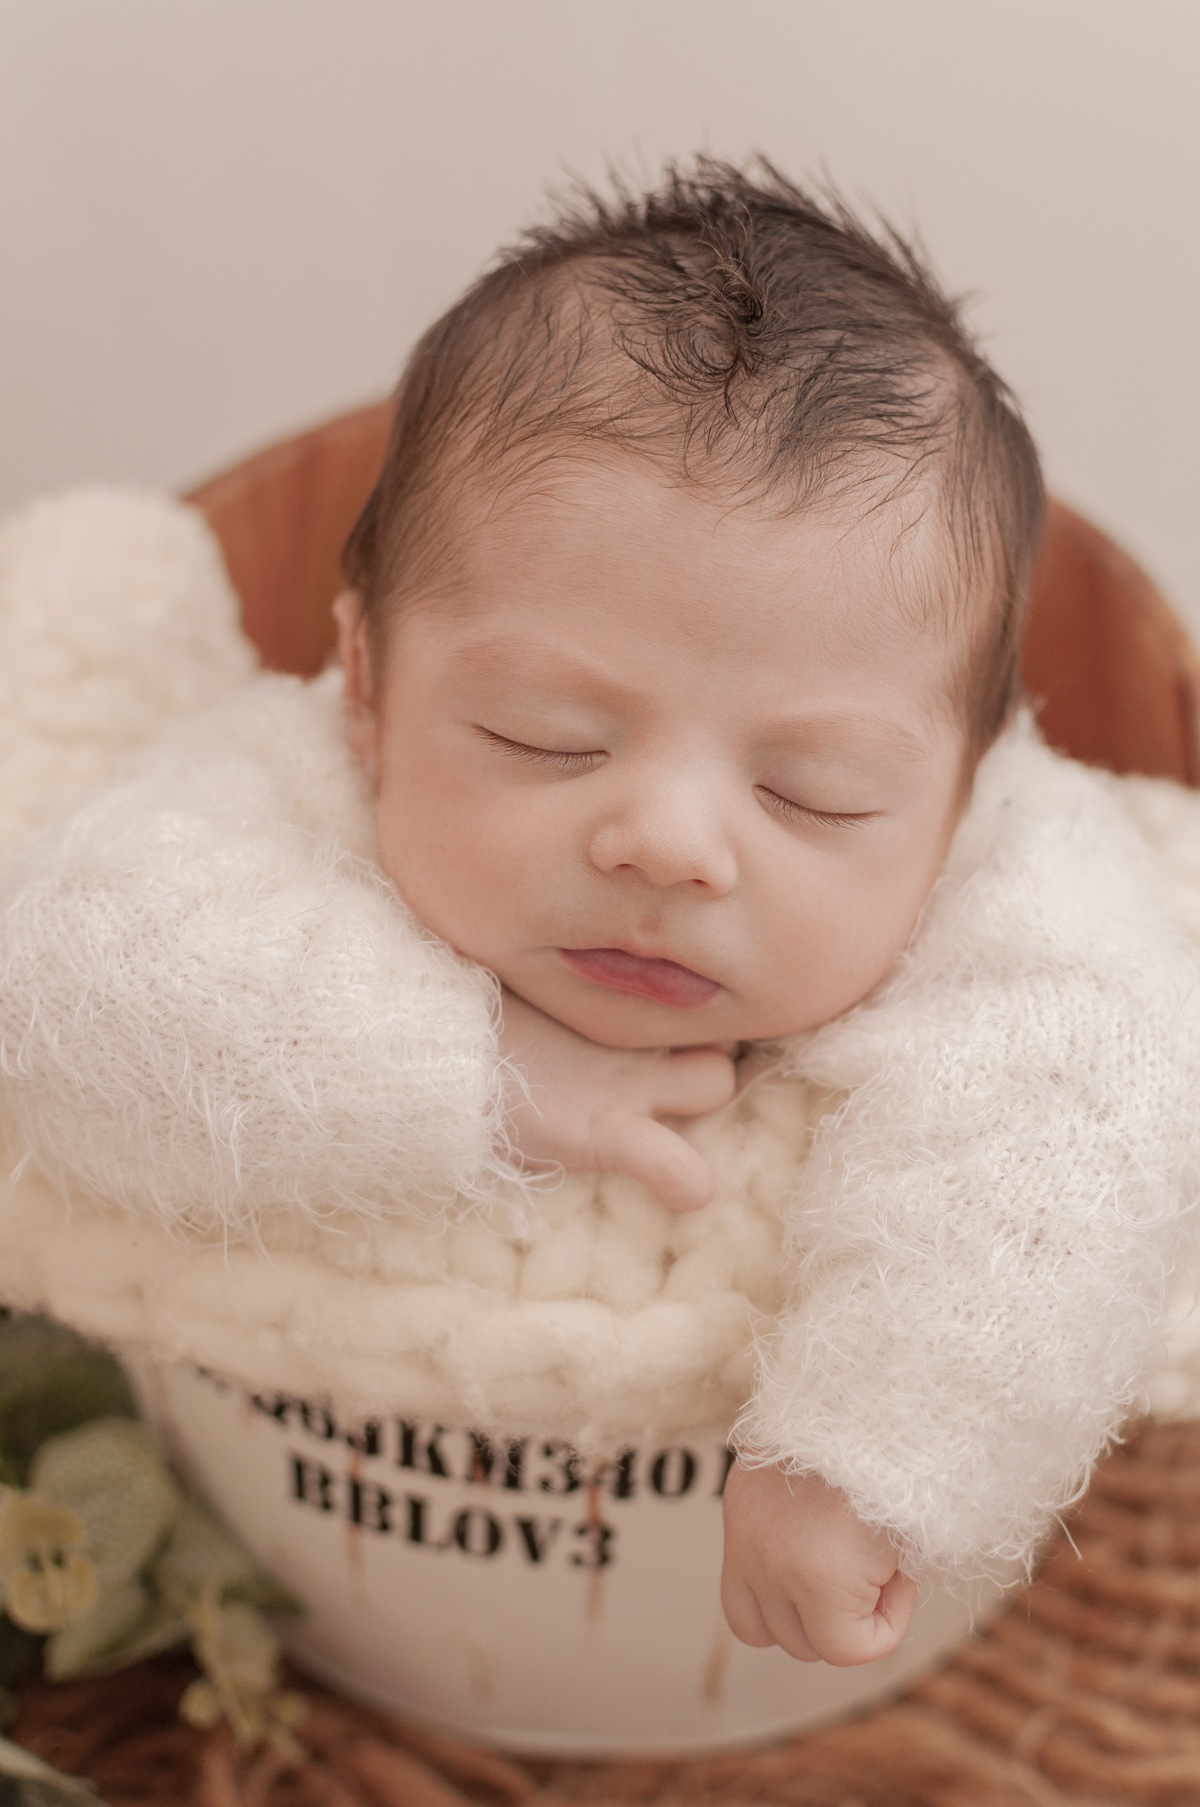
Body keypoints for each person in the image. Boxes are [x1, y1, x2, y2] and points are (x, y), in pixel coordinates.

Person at [2, 160, 1198, 1679]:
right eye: (547, 738)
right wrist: (469, 1066)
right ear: (369, 683)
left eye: (813, 795)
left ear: (974, 776)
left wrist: (861, 1455)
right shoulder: (302, 765)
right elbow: (69, 977)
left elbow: (1078, 1133)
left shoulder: (1019, 873)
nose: (671, 843)